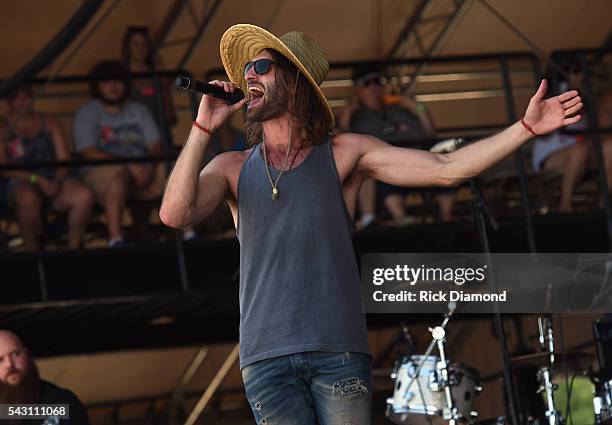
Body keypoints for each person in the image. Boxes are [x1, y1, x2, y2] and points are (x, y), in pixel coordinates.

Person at [159, 24, 582, 425]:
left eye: (262, 66)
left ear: (294, 81)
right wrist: (201, 128)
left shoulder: (344, 153)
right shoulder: (231, 168)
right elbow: (175, 215)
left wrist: (526, 128)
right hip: (265, 355)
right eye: (246, 68)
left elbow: (445, 168)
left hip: (337, 351)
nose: (249, 73)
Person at [339, 66, 456, 224]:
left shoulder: (401, 109)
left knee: (442, 157)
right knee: (374, 172)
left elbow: (430, 133)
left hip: (419, 157)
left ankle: (446, 218)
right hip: (386, 166)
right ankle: (399, 219)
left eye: (378, 82)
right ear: (357, 89)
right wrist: (348, 111)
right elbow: (342, 143)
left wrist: (416, 107)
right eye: (366, 83)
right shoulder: (355, 116)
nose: (374, 88)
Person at [73, 60, 166, 247]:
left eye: (118, 81)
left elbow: (156, 145)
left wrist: (148, 165)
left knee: (171, 171)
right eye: (106, 82)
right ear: (97, 86)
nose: (113, 86)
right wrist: (129, 164)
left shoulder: (138, 110)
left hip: (142, 167)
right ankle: (115, 239)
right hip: (102, 169)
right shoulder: (87, 113)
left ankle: (185, 233)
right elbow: (88, 152)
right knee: (119, 178)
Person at [0, 85, 94, 251]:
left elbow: (63, 158)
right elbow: (4, 167)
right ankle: (32, 252)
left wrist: (56, 180)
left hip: (52, 178)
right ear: (7, 100)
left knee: (83, 196)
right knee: (27, 198)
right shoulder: (3, 126)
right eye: (16, 97)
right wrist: (36, 179)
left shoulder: (48, 121)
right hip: (17, 182)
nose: (22, 101)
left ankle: (72, 249)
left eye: (27, 95)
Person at [532, 61, 590, 212]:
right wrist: (573, 88)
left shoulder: (587, 96)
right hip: (550, 157)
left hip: (582, 156)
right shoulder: (552, 96)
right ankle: (565, 204)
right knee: (579, 151)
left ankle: (604, 205)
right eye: (575, 72)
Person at [0, 330, 90, 424]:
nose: (9, 364)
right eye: (0, 359)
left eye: (15, 354)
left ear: (26, 354)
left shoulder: (62, 401)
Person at [121, 26, 177, 127]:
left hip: (158, 129)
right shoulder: (120, 75)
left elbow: (169, 112)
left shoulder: (157, 72)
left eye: (144, 44)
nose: (141, 48)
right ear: (128, 47)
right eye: (136, 44)